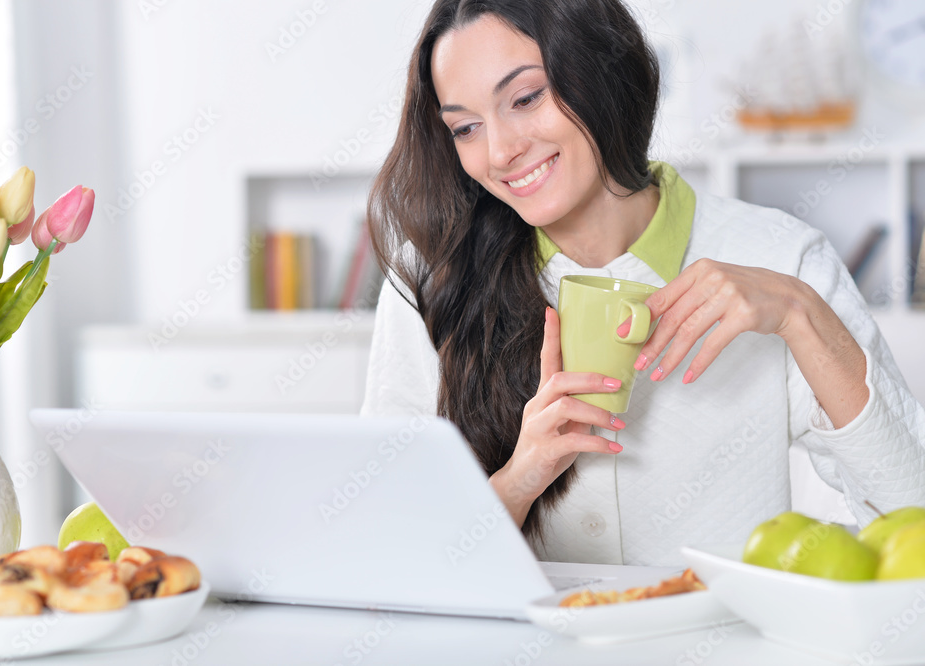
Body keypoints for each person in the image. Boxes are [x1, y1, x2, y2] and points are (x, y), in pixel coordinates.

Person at [360, 0, 925, 566]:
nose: (500, 151)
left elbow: (912, 517)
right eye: (465, 128)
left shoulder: (782, 260)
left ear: (600, 73)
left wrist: (801, 315)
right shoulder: (431, 281)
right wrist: (517, 481)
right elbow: (392, 556)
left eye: (526, 98)